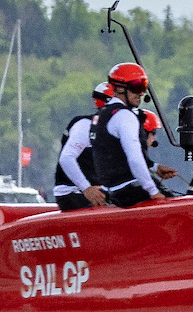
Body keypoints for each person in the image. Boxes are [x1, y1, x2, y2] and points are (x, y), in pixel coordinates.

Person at [78, 62, 178, 207]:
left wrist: (155, 167)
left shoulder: (101, 114)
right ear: (119, 88)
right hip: (130, 191)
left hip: (112, 191)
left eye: (144, 86)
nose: (141, 93)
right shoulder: (125, 116)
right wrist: (153, 191)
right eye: (137, 86)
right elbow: (134, 158)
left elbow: (115, 152)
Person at [52, 82, 112, 212]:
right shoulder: (85, 125)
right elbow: (66, 158)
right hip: (73, 193)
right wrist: (86, 188)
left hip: (95, 190)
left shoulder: (114, 130)